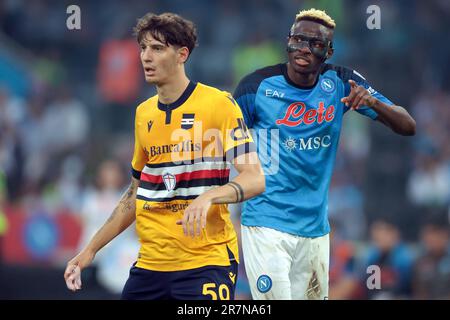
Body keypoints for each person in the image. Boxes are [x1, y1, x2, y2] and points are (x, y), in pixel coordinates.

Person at [64, 12, 265, 300]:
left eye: (157, 48)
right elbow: (134, 195)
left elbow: (256, 179)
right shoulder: (143, 113)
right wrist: (90, 250)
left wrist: (209, 196)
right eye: (143, 48)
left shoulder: (219, 105)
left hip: (206, 262)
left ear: (182, 54)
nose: (147, 56)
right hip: (150, 266)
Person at [233, 8, 416, 300]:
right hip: (265, 222)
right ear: (288, 41)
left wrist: (372, 102)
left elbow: (408, 126)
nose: (304, 48)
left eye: (315, 44)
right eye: (298, 40)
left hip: (316, 229)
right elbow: (225, 140)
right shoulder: (256, 87)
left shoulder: (342, 83)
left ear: (328, 51)